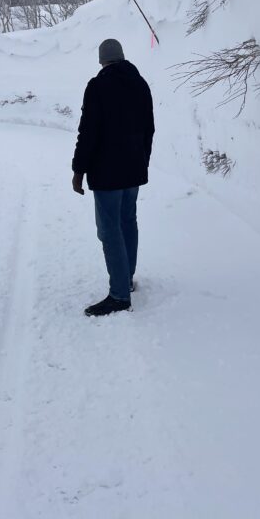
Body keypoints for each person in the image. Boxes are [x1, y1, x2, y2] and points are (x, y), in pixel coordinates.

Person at [72, 38, 155, 317]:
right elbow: (149, 128)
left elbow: (88, 132)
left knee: (109, 230)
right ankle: (126, 279)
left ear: (102, 60)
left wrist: (78, 170)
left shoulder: (97, 86)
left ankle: (119, 295)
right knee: (127, 221)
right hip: (133, 169)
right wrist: (142, 160)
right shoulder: (140, 84)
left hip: (107, 172)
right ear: (122, 56)